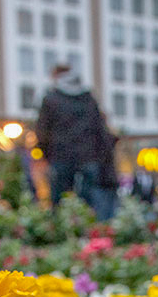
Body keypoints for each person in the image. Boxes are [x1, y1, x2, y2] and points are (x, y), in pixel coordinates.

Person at [35, 63, 119, 221]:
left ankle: (62, 231)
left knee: (60, 202)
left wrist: (44, 154)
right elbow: (99, 128)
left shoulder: (51, 99)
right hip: (89, 158)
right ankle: (92, 235)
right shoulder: (88, 98)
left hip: (61, 157)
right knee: (89, 203)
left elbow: (42, 131)